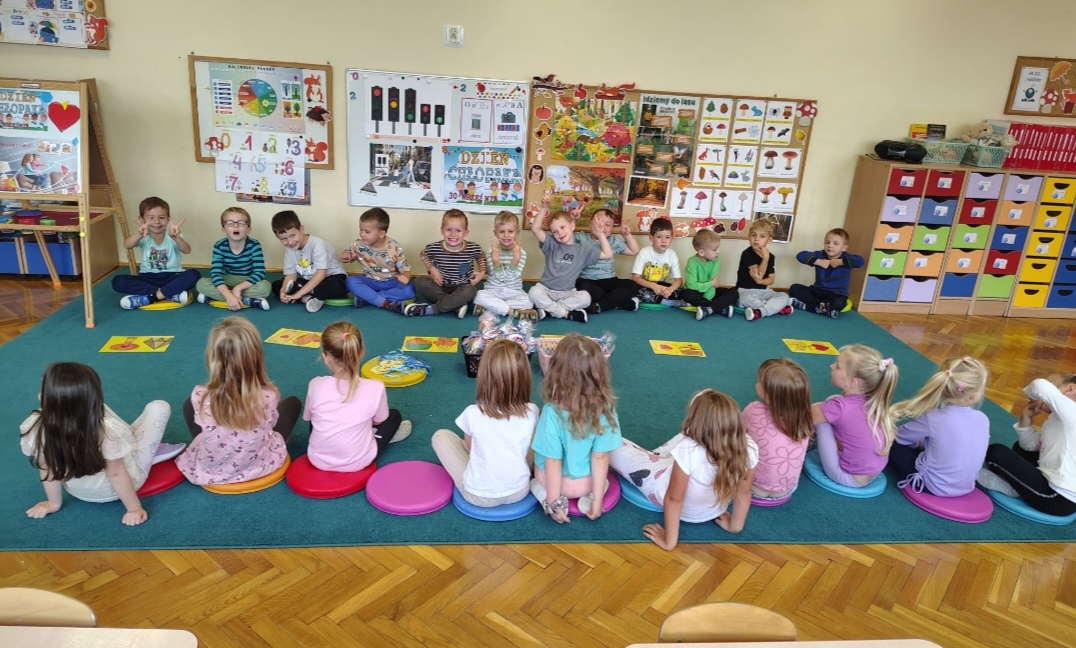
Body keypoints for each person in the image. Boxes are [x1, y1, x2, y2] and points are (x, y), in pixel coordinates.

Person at [20, 362, 182, 525]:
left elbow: (47, 469)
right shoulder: (106, 432)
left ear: (45, 397)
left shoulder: (34, 427)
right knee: (159, 407)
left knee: (102, 415)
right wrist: (134, 508)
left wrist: (53, 503)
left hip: (78, 491)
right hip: (113, 490)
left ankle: (132, 446)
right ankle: (149, 453)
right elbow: (116, 474)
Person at [611, 389, 758, 551]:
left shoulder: (688, 449)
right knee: (698, 413)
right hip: (713, 508)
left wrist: (669, 542)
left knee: (609, 443)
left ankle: (653, 457)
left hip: (663, 488)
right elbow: (744, 492)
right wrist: (735, 526)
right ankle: (656, 455)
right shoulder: (749, 446)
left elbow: (674, 499)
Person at [176, 317, 301, 485]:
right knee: (293, 403)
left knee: (189, 404)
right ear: (256, 357)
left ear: (211, 358)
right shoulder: (268, 395)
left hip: (213, 470)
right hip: (259, 466)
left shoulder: (200, 395)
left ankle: (216, 447)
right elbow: (271, 425)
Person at [431, 340, 539, 506]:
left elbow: (470, 448)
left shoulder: (472, 413)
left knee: (440, 436)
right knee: (535, 435)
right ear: (525, 377)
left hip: (478, 496)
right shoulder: (533, 410)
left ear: (484, 376)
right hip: (519, 491)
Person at [530, 334, 622, 522]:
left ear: (556, 371)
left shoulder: (551, 412)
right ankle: (590, 498)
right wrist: (598, 500)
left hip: (555, 483)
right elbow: (600, 457)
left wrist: (553, 502)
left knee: (534, 475)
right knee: (605, 456)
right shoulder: (607, 409)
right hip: (587, 484)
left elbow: (553, 461)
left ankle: (549, 498)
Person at [304, 321, 410, 472]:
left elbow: (308, 417)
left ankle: (331, 441)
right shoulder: (376, 387)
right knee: (394, 415)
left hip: (318, 459)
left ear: (325, 356)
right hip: (357, 461)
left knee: (316, 413)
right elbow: (378, 421)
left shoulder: (315, 384)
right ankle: (369, 437)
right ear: (361, 352)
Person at [888, 357, 989, 496]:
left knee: (891, 442)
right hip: (967, 487)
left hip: (931, 485)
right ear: (975, 394)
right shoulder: (983, 419)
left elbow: (900, 437)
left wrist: (916, 443)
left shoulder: (933, 417)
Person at [978, 374, 1076, 517]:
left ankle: (1016, 489)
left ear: (1070, 389)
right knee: (1020, 449)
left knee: (995, 452)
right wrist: (1026, 418)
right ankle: (1021, 486)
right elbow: (1029, 446)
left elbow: (1039, 386)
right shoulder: (1057, 418)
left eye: (1052, 388)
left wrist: (1035, 397)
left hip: (1057, 498)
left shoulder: (1072, 412)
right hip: (1051, 481)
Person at [811, 344, 899, 488]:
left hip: (848, 477)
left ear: (852, 383)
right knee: (828, 404)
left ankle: (800, 443)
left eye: (837, 366)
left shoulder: (839, 407)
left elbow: (803, 415)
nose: (831, 366)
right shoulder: (875, 403)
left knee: (822, 419)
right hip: (874, 473)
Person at [112, 197, 200, 309]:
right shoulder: (143, 236)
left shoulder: (173, 234)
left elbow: (187, 250)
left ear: (168, 219)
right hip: (148, 278)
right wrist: (139, 234)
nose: (157, 222)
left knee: (194, 274)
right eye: (150, 218)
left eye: (162, 217)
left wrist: (176, 238)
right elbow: (127, 245)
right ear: (142, 219)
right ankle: (168, 294)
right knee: (118, 281)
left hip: (172, 276)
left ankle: (152, 297)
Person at [744, 359, 813, 501]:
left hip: (751, 487)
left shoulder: (754, 410)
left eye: (759, 382)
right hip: (786, 490)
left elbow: (735, 433)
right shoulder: (806, 418)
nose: (756, 383)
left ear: (768, 395)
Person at [529, 208, 612, 322]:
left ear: (572, 225)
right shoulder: (552, 244)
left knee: (586, 297)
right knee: (533, 292)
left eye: (562, 227)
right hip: (546, 290)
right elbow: (535, 229)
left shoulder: (583, 249)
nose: (560, 233)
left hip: (567, 293)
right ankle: (565, 314)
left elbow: (607, 254)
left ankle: (548, 310)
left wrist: (600, 234)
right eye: (555, 231)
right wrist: (544, 208)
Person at [409, 209, 486, 317]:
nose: (453, 234)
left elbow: (481, 257)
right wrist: (432, 269)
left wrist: (482, 273)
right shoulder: (435, 247)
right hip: (440, 285)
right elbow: (423, 255)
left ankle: (433, 309)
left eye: (458, 230)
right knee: (420, 281)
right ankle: (455, 305)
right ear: (442, 230)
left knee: (471, 291)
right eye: (448, 230)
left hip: (461, 286)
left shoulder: (473, 248)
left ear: (466, 232)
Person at [341, 207, 417, 314]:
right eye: (361, 229)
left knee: (410, 290)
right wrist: (346, 256)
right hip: (369, 281)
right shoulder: (358, 245)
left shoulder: (394, 247)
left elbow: (406, 271)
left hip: (391, 283)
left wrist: (405, 277)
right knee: (350, 281)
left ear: (381, 234)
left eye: (367, 232)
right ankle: (384, 302)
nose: (362, 234)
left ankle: (368, 298)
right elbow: (347, 254)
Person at [269, 210, 349, 313]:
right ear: (277, 238)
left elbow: (321, 275)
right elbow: (290, 275)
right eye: (284, 239)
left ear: (301, 229)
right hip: (310, 281)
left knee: (339, 287)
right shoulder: (290, 250)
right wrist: (283, 290)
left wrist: (299, 293)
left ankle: (304, 295)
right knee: (276, 285)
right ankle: (308, 298)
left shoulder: (317, 244)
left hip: (331, 278)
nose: (290, 242)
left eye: (293, 235)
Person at [195, 207, 271, 311]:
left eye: (241, 223)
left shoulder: (255, 245)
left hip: (246, 280)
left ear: (248, 229)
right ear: (224, 230)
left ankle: (215, 297)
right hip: (226, 279)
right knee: (201, 284)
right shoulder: (219, 245)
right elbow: (216, 274)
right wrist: (229, 295)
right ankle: (245, 300)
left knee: (265, 287)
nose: (235, 226)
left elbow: (260, 273)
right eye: (230, 223)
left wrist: (238, 288)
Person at [576, 208, 641, 315]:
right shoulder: (581, 237)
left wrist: (626, 235)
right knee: (581, 288)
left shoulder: (613, 240)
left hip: (609, 280)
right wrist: (573, 219)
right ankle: (618, 303)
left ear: (612, 229)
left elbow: (634, 251)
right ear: (590, 224)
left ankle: (600, 306)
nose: (602, 226)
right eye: (599, 222)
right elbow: (564, 237)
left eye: (607, 224)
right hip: (587, 280)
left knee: (632, 285)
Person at [474, 211, 536, 319]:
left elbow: (509, 278)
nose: (506, 235)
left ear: (517, 232)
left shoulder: (522, 253)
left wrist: (515, 260)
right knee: (478, 296)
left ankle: (491, 308)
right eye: (502, 231)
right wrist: (496, 261)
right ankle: (512, 311)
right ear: (495, 233)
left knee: (529, 301)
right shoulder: (491, 251)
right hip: (493, 290)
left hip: (514, 291)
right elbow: (500, 278)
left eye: (510, 231)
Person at [790, 228, 864, 318]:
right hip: (817, 291)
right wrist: (818, 262)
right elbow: (800, 256)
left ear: (844, 248)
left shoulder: (847, 258)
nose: (830, 246)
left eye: (835, 243)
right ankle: (824, 309)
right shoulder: (820, 255)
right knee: (794, 288)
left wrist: (840, 262)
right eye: (827, 242)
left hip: (837, 294)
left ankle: (807, 306)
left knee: (839, 303)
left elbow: (860, 261)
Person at [736, 218, 792, 321]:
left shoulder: (771, 256)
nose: (757, 239)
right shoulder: (747, 254)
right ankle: (774, 308)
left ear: (769, 240)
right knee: (741, 298)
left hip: (764, 292)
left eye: (762, 236)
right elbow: (759, 274)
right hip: (745, 290)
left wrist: (761, 281)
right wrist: (765, 258)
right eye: (753, 235)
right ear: (749, 236)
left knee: (784, 296)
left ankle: (760, 311)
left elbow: (771, 280)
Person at [684, 228, 739, 320]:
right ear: (702, 252)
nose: (718, 251)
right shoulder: (692, 262)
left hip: (710, 290)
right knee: (687, 294)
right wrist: (711, 285)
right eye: (714, 249)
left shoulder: (716, 258)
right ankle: (719, 308)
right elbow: (692, 285)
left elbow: (714, 281)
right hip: (695, 290)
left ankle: (708, 309)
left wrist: (708, 297)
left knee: (734, 292)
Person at [632, 218, 683, 306]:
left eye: (667, 237)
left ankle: (657, 299)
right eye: (659, 237)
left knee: (682, 291)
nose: (664, 241)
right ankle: (664, 302)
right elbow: (635, 278)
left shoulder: (672, 254)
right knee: (633, 288)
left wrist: (670, 290)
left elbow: (678, 280)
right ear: (651, 238)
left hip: (661, 287)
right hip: (646, 285)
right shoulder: (644, 252)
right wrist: (653, 286)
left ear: (672, 239)